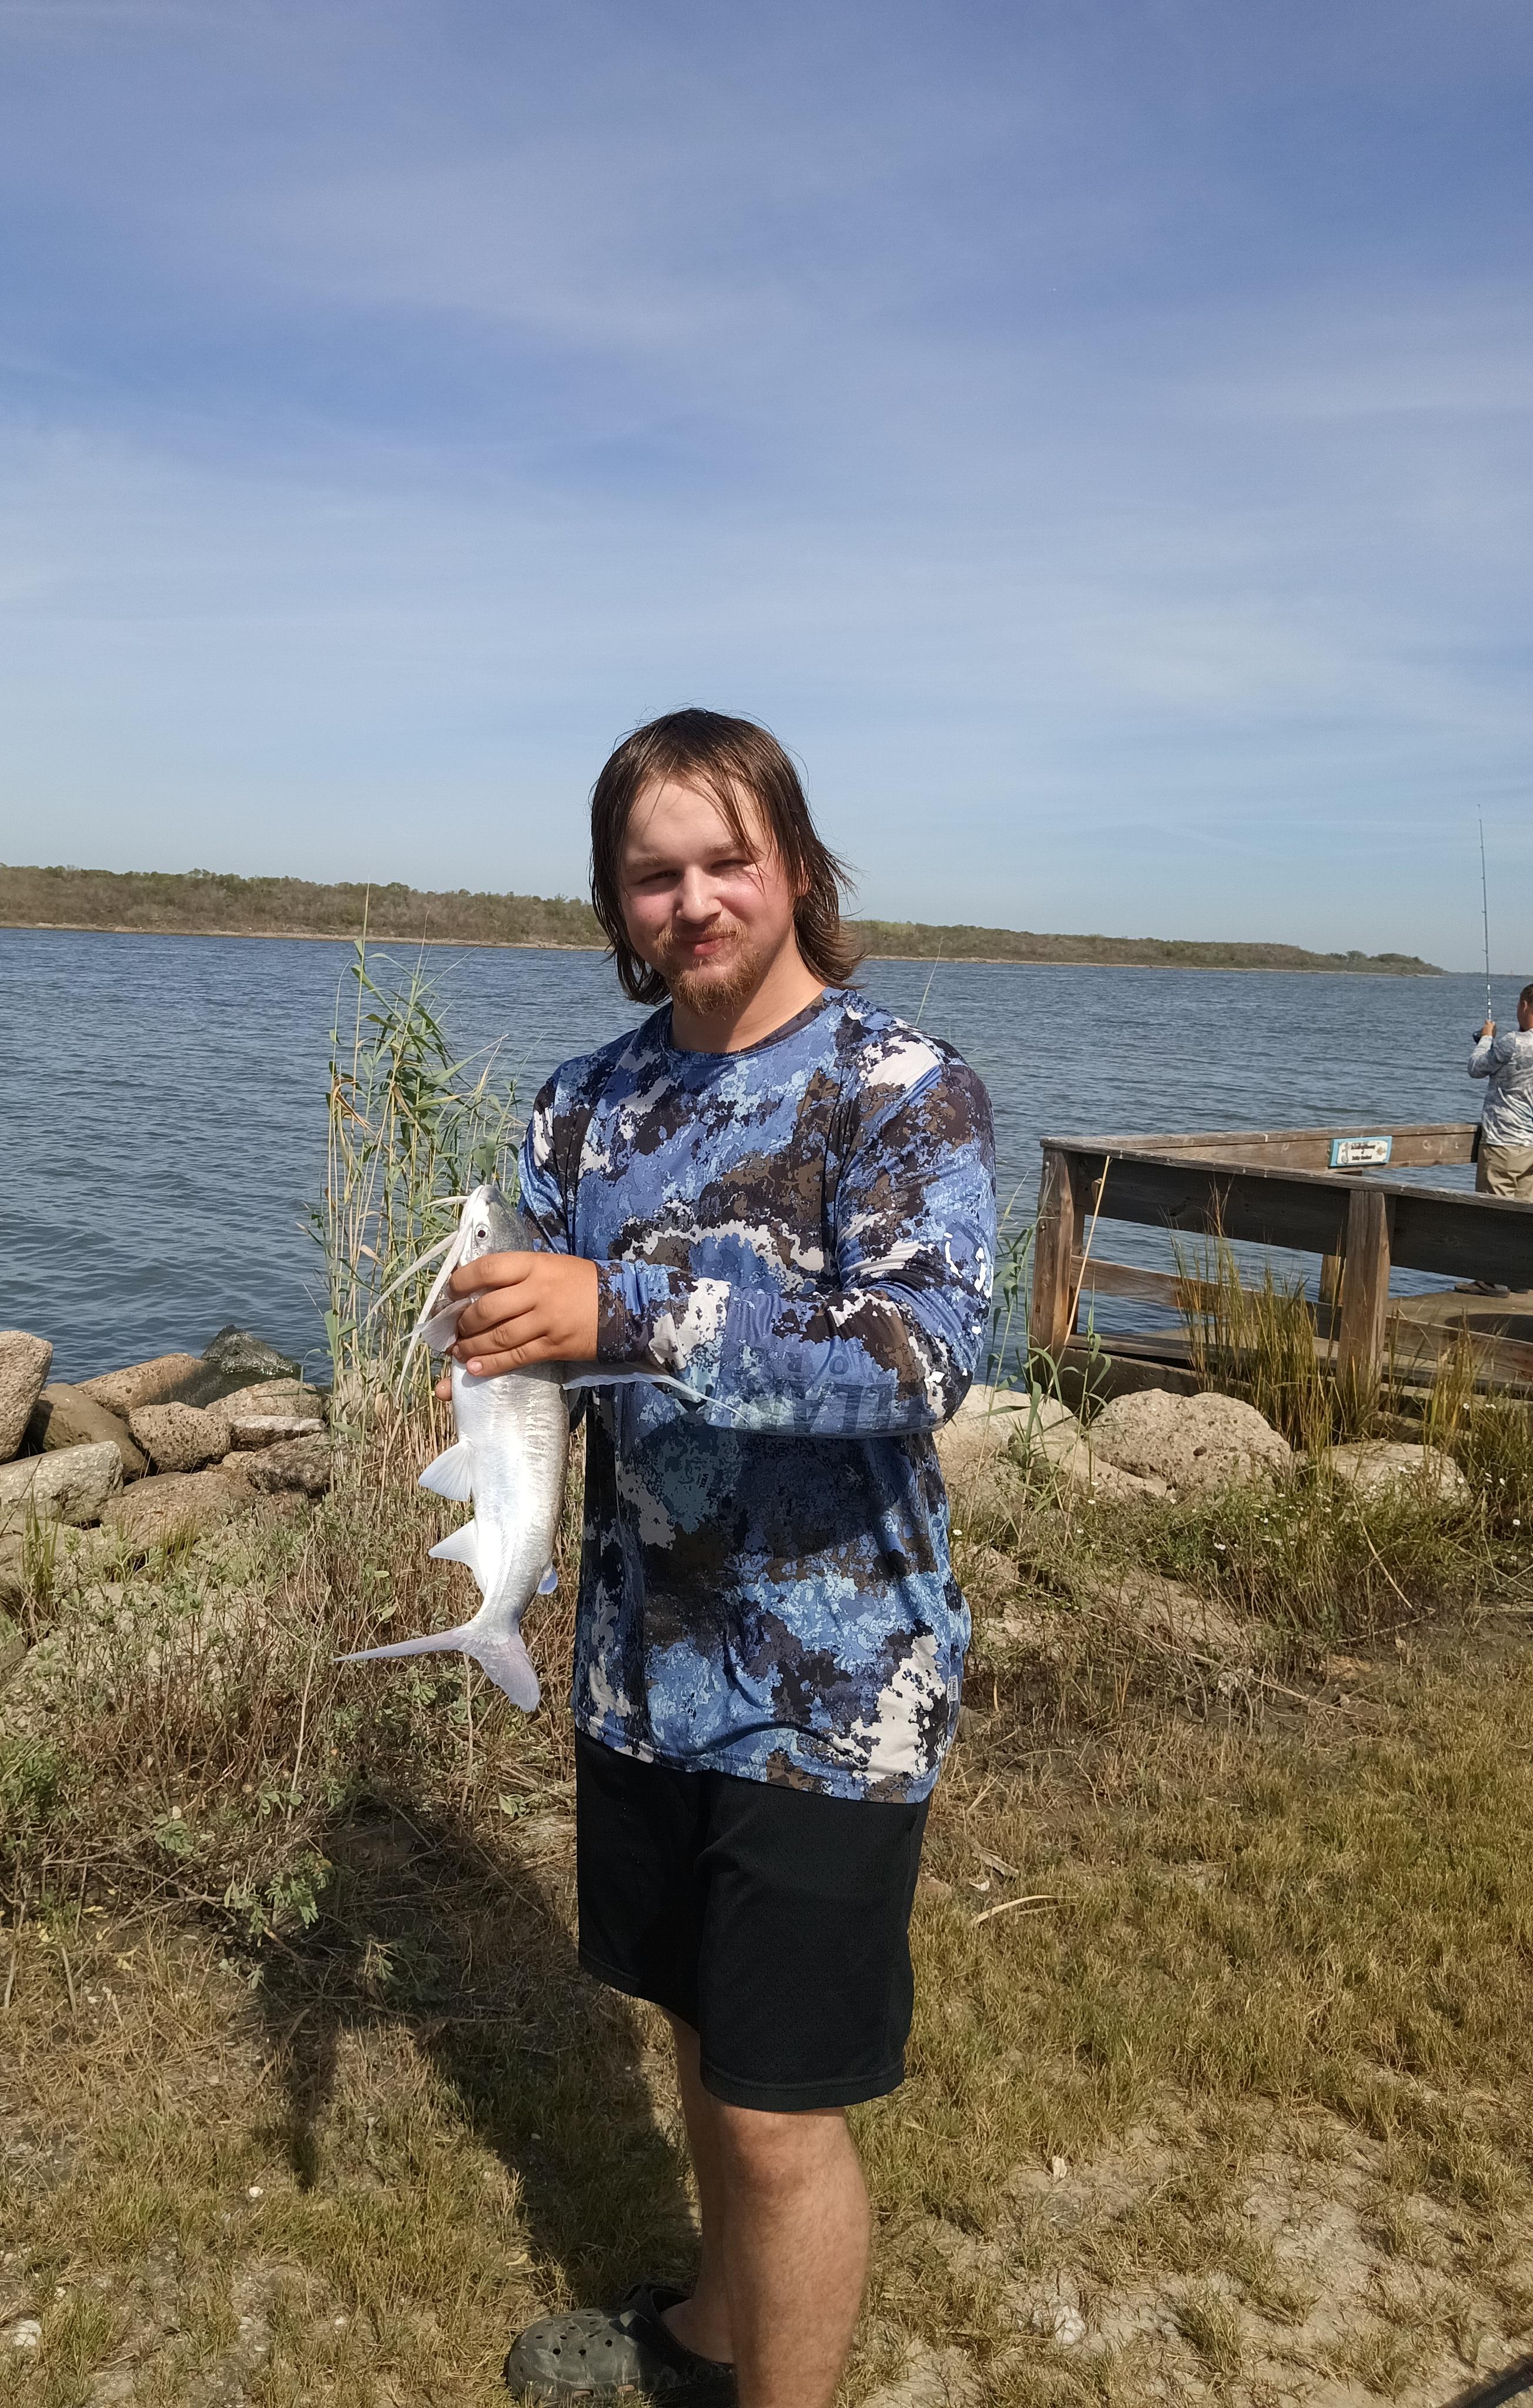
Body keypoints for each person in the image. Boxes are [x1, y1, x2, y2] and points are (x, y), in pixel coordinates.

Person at [440, 709, 995, 2408]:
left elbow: (924, 1357)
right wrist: (479, 1344)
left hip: (835, 1693)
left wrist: (622, 1311)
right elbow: (524, 1347)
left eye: (726, 861)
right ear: (616, 909)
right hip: (637, 1672)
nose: (693, 901)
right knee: (698, 2032)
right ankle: (712, 2330)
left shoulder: (900, 1089)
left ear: (797, 870)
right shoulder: (585, 1104)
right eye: (652, 874)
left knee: (776, 2110)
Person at [1468, 985, 1533, 1201]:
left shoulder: (1514, 1041)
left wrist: (1487, 1038)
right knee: (1522, 1221)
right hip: (1530, 1149)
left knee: (1492, 1217)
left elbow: (1476, 1068)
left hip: (1503, 1143)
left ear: (1524, 1005)